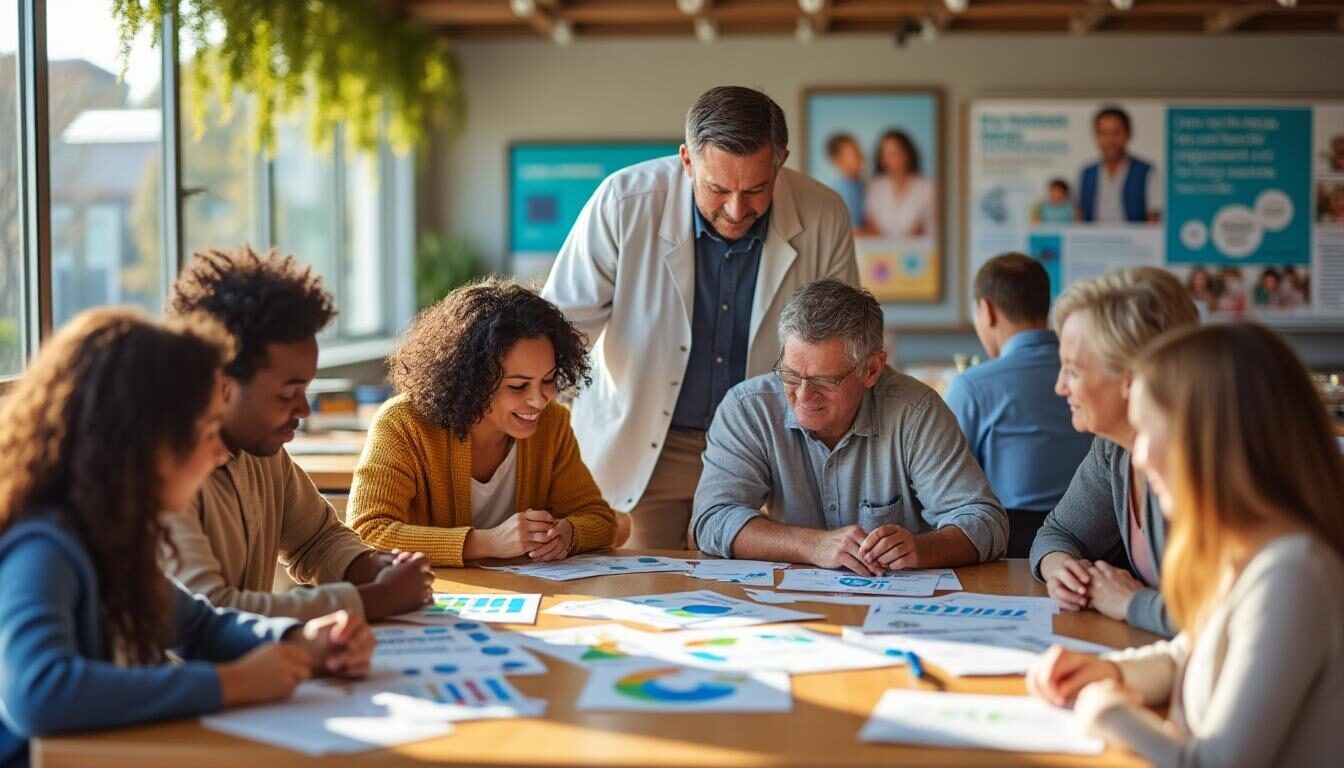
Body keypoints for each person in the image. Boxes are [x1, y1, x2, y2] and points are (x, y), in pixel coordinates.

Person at [0, 309, 374, 768]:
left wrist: (301, 639)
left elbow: (199, 626)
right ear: (143, 443)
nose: (220, 452)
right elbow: (38, 693)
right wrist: (232, 684)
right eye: (204, 433)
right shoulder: (43, 546)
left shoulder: (112, 535)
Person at [542, 85, 858, 549]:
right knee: (645, 599)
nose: (736, 210)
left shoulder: (824, 212)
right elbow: (562, 330)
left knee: (764, 600)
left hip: (767, 445)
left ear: (780, 161)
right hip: (649, 443)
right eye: (717, 188)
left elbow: (844, 340)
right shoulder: (623, 201)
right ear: (687, 161)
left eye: (755, 189)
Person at [1028, 323, 1344, 768]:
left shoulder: (1293, 575)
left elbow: (1216, 762)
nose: (1137, 457)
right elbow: (1189, 654)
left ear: (1207, 440)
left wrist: (1110, 713)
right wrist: (1113, 671)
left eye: (1147, 431)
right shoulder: (1245, 550)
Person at [163, 246, 434, 621]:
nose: (303, 410)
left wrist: (374, 567)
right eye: (287, 394)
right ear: (221, 381)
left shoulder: (262, 447)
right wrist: (376, 600)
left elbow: (316, 539)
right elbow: (210, 614)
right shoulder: (161, 470)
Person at [693, 280, 1006, 572]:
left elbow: (986, 523)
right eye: (789, 374)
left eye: (824, 380)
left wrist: (922, 549)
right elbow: (712, 519)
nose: (803, 395)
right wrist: (811, 545)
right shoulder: (748, 408)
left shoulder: (916, 411)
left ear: (872, 370)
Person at [348, 278, 617, 566]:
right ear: (471, 381)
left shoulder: (553, 424)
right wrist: (489, 542)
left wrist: (568, 534)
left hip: (527, 598)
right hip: (435, 599)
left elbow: (600, 519)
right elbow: (365, 532)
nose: (540, 400)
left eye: (548, 380)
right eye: (518, 386)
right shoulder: (402, 424)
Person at [1030, 267, 1199, 637]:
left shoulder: (1202, 459)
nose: (1060, 387)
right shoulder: (1115, 448)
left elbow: (1230, 619)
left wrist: (1131, 603)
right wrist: (1062, 569)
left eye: (1073, 371)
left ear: (1132, 378)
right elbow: (1056, 533)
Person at [945, 254, 1093, 558]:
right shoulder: (1091, 376)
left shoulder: (973, 386)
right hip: (1094, 543)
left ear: (986, 311)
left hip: (1010, 549)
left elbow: (945, 487)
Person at [1077, 106, 1162, 224]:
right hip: (1093, 241)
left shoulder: (1146, 171)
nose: (1109, 140)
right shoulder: (1086, 173)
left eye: (1116, 133)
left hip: (1136, 241)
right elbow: (1079, 216)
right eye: (1103, 133)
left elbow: (1153, 219)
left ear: (1128, 134)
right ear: (1096, 137)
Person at [863, 129, 936, 239]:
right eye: (884, 154)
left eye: (893, 154)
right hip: (881, 253)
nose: (887, 160)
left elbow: (928, 227)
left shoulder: (927, 187)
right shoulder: (875, 186)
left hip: (919, 252)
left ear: (907, 154)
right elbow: (871, 225)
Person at [824, 133, 867, 230]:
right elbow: (851, 230)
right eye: (855, 153)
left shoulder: (862, 185)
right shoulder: (838, 191)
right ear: (838, 160)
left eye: (860, 151)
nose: (862, 156)